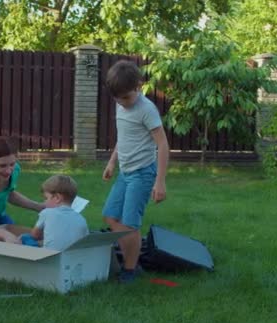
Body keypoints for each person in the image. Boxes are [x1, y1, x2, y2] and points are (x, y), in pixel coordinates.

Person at [102, 60, 169, 283]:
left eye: (127, 97)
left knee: (131, 224)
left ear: (138, 86)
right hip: (125, 172)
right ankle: (131, 256)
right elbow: (124, 137)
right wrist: (112, 162)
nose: (123, 103)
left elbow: (163, 144)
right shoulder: (120, 104)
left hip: (143, 173)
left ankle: (130, 269)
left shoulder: (146, 109)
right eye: (118, 98)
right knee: (110, 216)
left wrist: (160, 182)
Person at [20, 175, 89, 251]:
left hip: (49, 256)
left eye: (46, 198)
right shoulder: (81, 219)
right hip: (72, 257)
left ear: (57, 198)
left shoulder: (47, 212)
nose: (44, 202)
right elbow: (84, 241)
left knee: (25, 237)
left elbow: (35, 235)